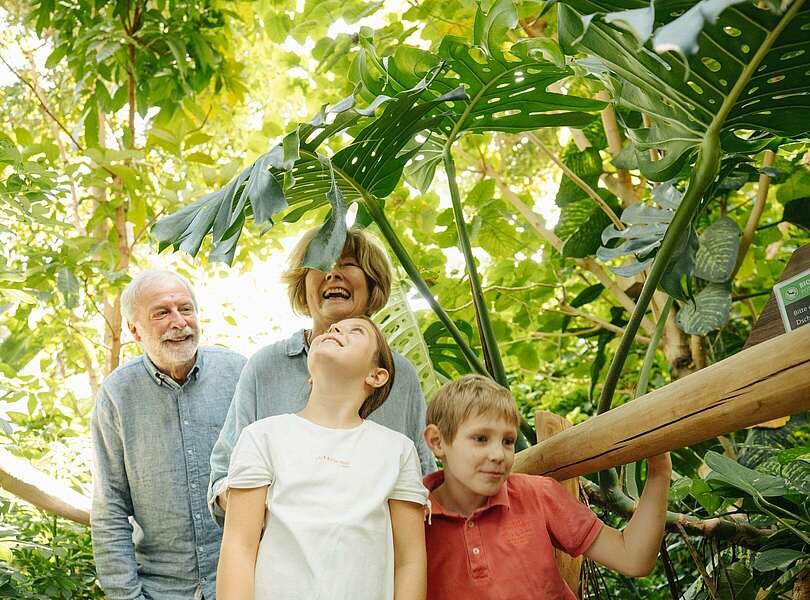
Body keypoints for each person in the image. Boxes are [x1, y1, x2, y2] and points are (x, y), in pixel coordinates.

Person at [208, 227, 436, 522]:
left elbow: (422, 481)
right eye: (321, 263)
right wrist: (259, 502)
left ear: (371, 285)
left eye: (348, 263)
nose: (332, 272)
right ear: (303, 289)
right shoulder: (265, 367)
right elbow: (224, 481)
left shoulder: (399, 373)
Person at [216, 316, 428, 600]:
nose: (336, 328)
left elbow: (410, 561)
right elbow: (239, 548)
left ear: (376, 376)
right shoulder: (261, 437)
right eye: (332, 329)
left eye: (357, 331)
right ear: (310, 374)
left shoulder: (398, 451)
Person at [422, 375, 672, 600]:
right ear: (437, 441)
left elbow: (633, 558)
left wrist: (659, 472)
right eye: (480, 439)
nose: (498, 454)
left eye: (508, 441)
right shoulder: (410, 517)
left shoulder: (538, 495)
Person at [91, 270, 246, 600]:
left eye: (186, 309)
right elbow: (110, 509)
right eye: (162, 312)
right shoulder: (117, 394)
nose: (179, 322)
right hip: (161, 589)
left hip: (241, 582)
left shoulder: (239, 374)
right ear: (134, 330)